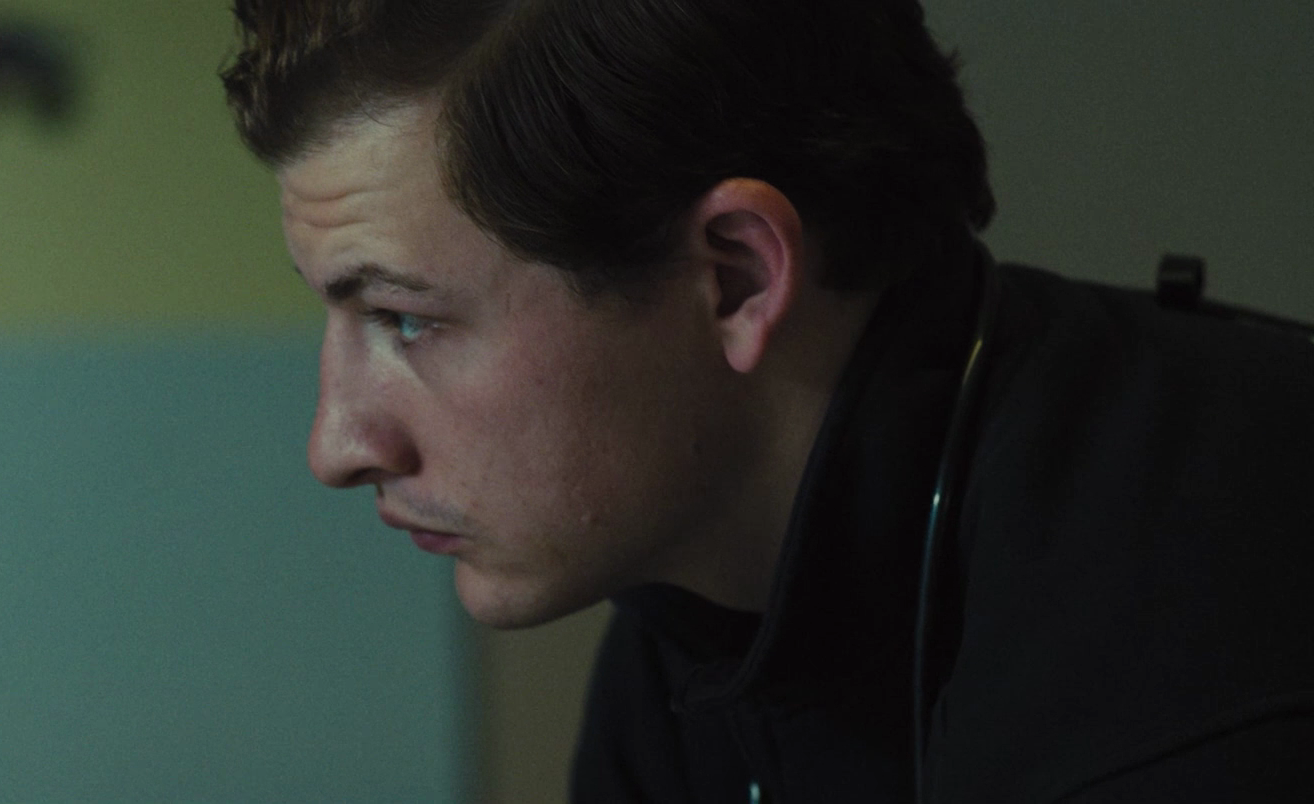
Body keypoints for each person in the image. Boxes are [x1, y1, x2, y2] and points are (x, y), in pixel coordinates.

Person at [220, 0, 1314, 801]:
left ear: (735, 277)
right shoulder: (691, 599)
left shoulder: (1202, 674)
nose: (337, 444)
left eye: (405, 318)